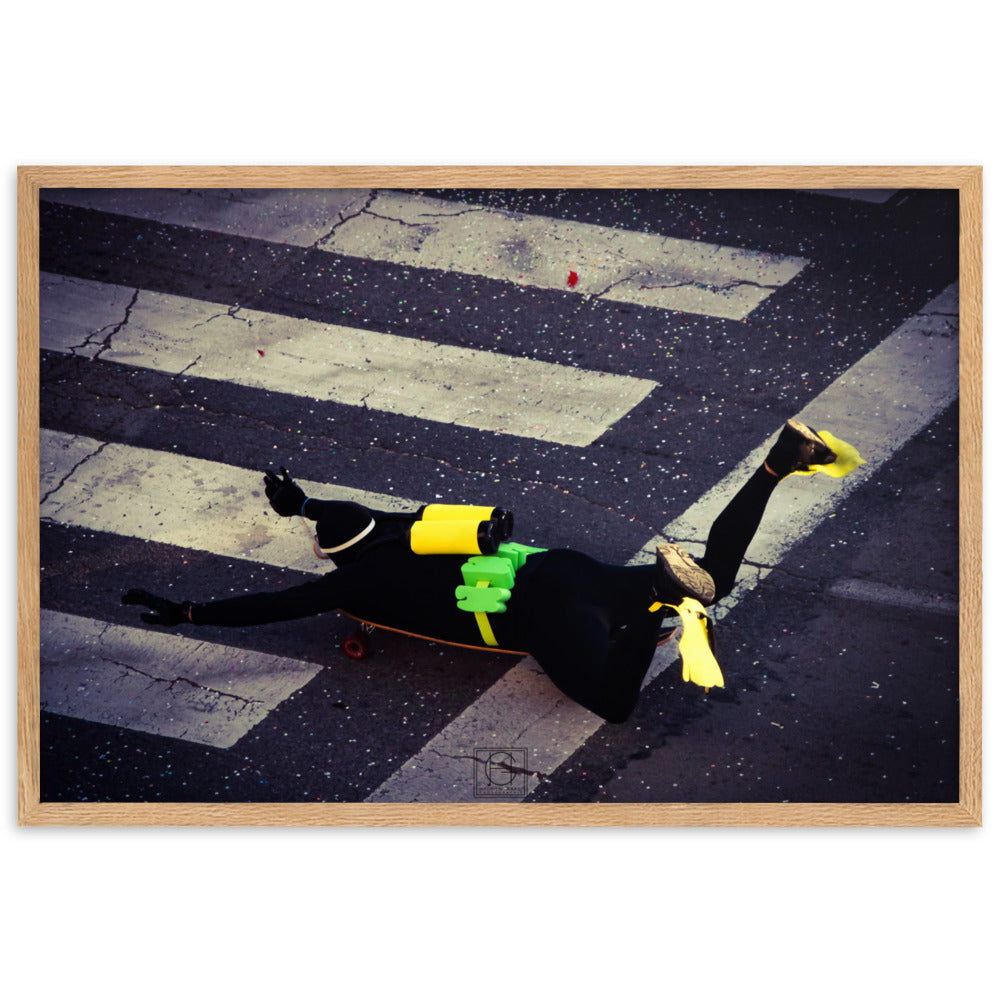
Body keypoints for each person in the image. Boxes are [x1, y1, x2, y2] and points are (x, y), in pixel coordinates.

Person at [122, 420, 861, 723]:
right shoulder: (407, 526)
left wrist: (189, 613)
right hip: (562, 570)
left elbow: (274, 606)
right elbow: (341, 512)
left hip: (536, 614)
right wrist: (302, 502)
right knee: (720, 578)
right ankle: (778, 461)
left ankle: (659, 602)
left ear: (334, 560)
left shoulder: (351, 584)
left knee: (613, 704)